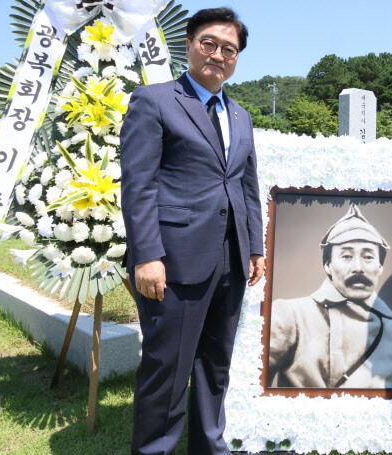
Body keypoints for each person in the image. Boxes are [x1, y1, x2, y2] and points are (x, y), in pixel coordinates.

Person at [120, 8, 264, 455]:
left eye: (229, 49)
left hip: (230, 258)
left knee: (215, 365)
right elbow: (139, 185)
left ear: (237, 58)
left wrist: (255, 247)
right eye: (209, 44)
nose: (218, 55)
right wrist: (147, 255)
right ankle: (154, 449)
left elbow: (247, 186)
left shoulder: (240, 115)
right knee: (167, 367)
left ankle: (209, 446)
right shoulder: (155, 100)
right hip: (173, 259)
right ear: (188, 45)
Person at [268, 204, 392, 389]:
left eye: (368, 257)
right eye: (346, 256)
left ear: (380, 267)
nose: (358, 267)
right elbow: (253, 386)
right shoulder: (292, 315)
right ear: (328, 265)